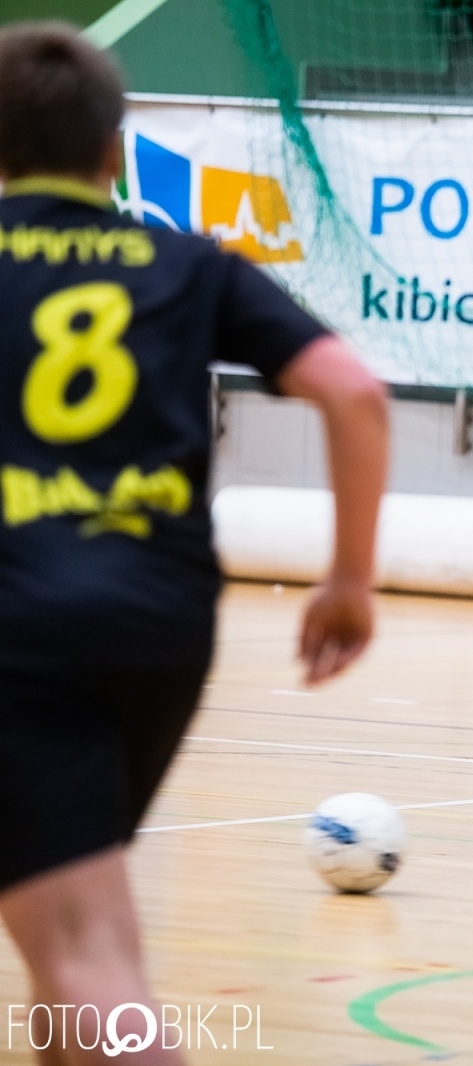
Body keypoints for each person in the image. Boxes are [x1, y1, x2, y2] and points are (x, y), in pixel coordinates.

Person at [0, 24, 389, 1063]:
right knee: (74, 939)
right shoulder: (188, 262)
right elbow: (353, 392)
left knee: (84, 968)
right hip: (161, 625)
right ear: (116, 150)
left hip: (23, 625)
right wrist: (347, 579)